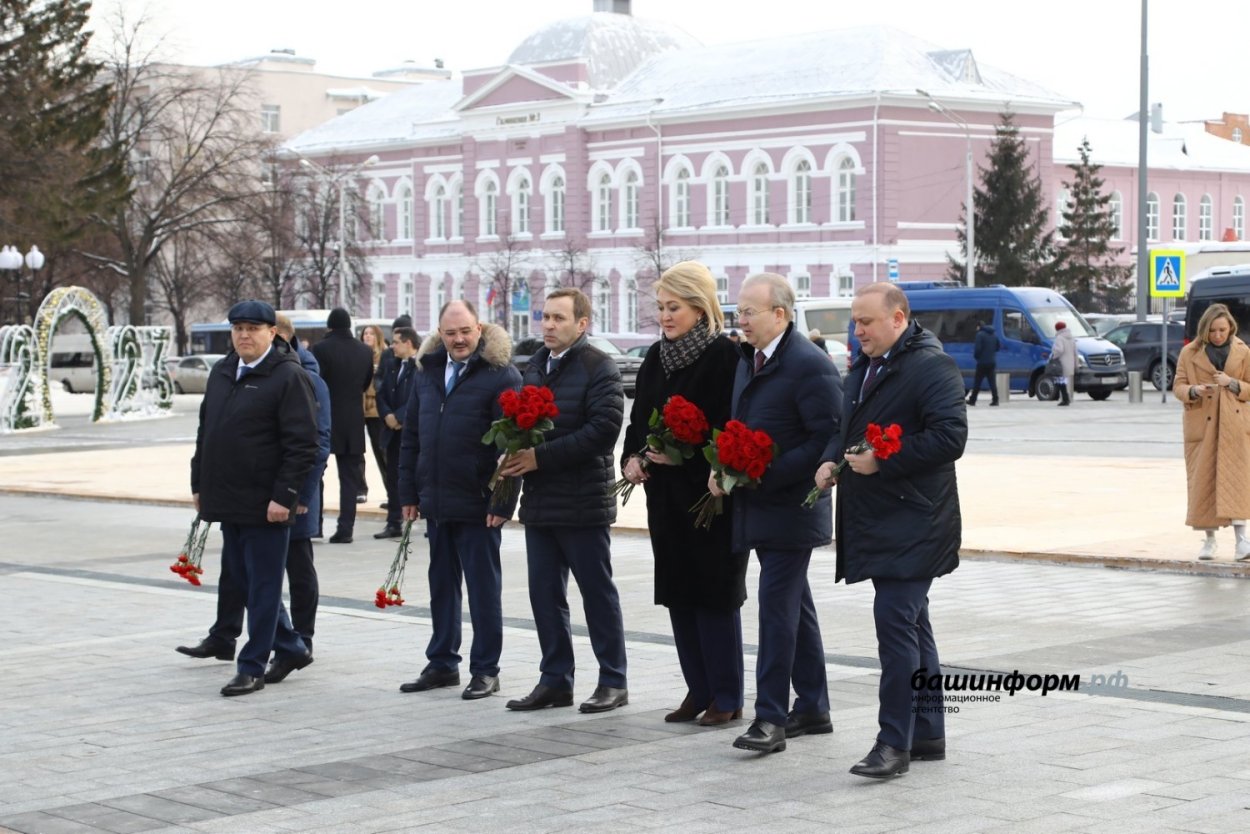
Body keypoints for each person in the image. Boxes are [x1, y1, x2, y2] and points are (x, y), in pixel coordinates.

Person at [814, 282, 967, 778]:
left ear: (898, 319)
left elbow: (950, 437)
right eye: (855, 322)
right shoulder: (866, 365)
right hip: (883, 517)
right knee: (913, 623)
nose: (856, 331)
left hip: (917, 519)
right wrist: (831, 462)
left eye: (866, 322)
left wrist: (884, 459)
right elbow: (846, 427)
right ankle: (927, 733)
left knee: (896, 624)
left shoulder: (931, 365)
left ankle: (891, 743)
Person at [619, 262, 749, 726]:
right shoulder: (656, 356)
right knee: (677, 592)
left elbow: (728, 427)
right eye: (660, 307)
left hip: (708, 498)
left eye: (674, 307)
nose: (665, 316)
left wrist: (689, 458)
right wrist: (632, 459)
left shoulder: (723, 357)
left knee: (713, 593)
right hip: (665, 498)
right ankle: (698, 688)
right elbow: (639, 422)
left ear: (700, 306)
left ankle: (728, 695)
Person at [719, 273, 842, 755]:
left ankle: (770, 717)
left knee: (776, 610)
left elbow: (825, 437)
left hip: (791, 509)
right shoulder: (750, 360)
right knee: (795, 610)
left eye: (749, 312)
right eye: (738, 311)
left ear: (780, 314)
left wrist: (761, 473)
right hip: (760, 504)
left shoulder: (809, 365)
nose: (740, 320)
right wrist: (726, 468)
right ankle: (812, 707)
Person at [176, 315, 331, 672]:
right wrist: (199, 483)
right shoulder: (223, 372)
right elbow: (207, 432)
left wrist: (290, 495)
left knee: (265, 585)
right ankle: (289, 645)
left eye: (253, 329)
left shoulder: (289, 376)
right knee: (244, 580)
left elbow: (306, 444)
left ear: (272, 333)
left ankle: (253, 665)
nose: (244, 336)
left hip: (268, 502)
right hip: (229, 498)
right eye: (238, 329)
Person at [498, 288, 629, 714]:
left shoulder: (599, 367)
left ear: (582, 324)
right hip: (540, 501)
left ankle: (613, 679)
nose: (549, 325)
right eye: (546, 318)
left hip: (582, 502)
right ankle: (555, 679)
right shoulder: (535, 365)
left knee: (597, 593)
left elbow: (603, 432)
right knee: (544, 594)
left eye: (559, 318)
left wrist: (540, 456)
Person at [397, 302, 522, 700]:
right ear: (439, 332)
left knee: (483, 590)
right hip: (436, 500)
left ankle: (486, 669)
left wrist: (502, 503)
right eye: (451, 333)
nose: (459, 339)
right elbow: (412, 436)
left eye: (466, 330)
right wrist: (408, 493)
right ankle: (442, 663)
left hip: (478, 503)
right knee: (442, 587)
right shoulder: (427, 371)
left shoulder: (501, 375)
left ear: (478, 328)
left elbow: (513, 447)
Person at [1173, 303, 1250, 561]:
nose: (1218, 335)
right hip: (1202, 426)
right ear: (1205, 329)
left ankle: (1242, 540)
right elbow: (1179, 386)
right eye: (1213, 330)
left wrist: (1233, 384)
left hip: (1234, 425)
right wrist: (1194, 391)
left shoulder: (1242, 351)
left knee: (1237, 482)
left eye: (1223, 330)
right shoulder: (1189, 352)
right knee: (1203, 483)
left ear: (1230, 328)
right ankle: (1209, 540)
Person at [312, 308, 374, 543]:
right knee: (349, 477)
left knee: (317, 472)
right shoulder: (364, 351)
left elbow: (317, 383)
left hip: (325, 418)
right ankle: (345, 529)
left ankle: (314, 525)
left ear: (330, 326)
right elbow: (366, 383)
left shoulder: (320, 349)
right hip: (353, 419)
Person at [374, 327, 418, 539]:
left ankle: (422, 518)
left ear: (409, 343)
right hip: (392, 431)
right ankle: (394, 522)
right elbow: (380, 393)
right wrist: (387, 416)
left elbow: (416, 398)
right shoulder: (392, 365)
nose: (392, 346)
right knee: (393, 478)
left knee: (415, 476)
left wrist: (399, 417)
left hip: (410, 432)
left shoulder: (420, 367)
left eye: (397, 342)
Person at [361, 324, 389, 500]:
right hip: (362, 410)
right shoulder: (360, 355)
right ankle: (362, 490)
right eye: (365, 333)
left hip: (378, 411)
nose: (368, 336)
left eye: (371, 333)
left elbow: (380, 385)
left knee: (384, 452)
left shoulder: (384, 356)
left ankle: (392, 493)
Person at [967, 320, 1000, 406]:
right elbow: (998, 347)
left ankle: (973, 400)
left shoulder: (980, 335)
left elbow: (977, 349)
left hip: (982, 362)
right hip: (992, 362)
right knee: (992, 382)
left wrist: (977, 357)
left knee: (977, 382)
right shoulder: (994, 334)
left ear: (979, 326)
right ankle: (995, 400)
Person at [1050, 320, 1076, 406]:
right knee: (1062, 382)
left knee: (1061, 382)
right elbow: (1075, 352)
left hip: (1061, 364)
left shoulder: (1059, 338)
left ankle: (1065, 399)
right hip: (1069, 363)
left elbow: (1060, 350)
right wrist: (1076, 364)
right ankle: (1065, 398)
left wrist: (1054, 355)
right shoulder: (1071, 338)